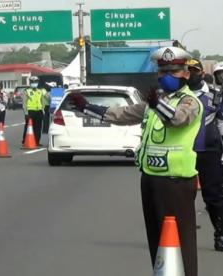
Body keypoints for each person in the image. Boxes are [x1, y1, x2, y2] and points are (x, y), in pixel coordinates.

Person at [68, 46, 202, 276]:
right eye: (163, 71)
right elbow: (123, 114)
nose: (168, 76)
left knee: (181, 244)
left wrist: (157, 105)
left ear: (186, 74)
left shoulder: (190, 102)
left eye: (174, 71)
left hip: (176, 182)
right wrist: (87, 107)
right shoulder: (154, 102)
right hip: (150, 180)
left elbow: (178, 120)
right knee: (158, 243)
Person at [187, 59, 223, 252]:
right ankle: (183, 235)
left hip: (209, 152)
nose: (191, 74)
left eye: (195, 71)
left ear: (201, 73)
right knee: (182, 195)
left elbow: (221, 124)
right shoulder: (177, 95)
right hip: (183, 153)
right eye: (188, 71)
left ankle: (220, 234)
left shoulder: (215, 95)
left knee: (214, 196)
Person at [22, 76, 46, 146]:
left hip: (39, 111)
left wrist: (43, 110)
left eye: (35, 82)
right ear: (30, 83)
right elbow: (24, 103)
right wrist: (26, 113)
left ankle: (37, 141)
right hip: (30, 111)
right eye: (32, 82)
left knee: (38, 128)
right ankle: (25, 140)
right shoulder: (27, 91)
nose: (34, 83)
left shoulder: (40, 91)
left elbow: (42, 102)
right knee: (28, 127)